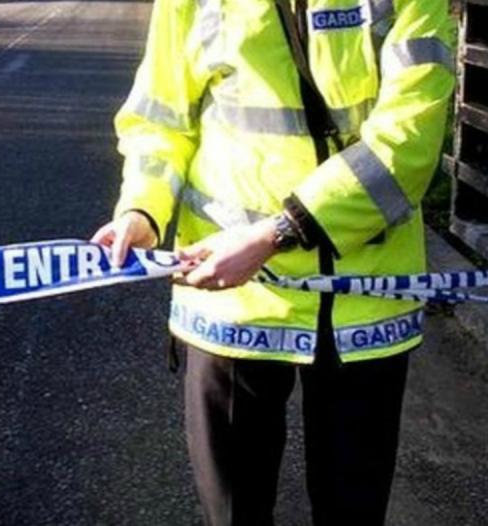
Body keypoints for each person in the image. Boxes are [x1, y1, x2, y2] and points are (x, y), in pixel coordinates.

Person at [91, 0, 455, 525]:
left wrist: (276, 233)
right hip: (232, 305)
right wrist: (142, 209)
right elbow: (159, 118)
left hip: (363, 308)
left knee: (353, 513)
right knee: (235, 513)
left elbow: (409, 140)